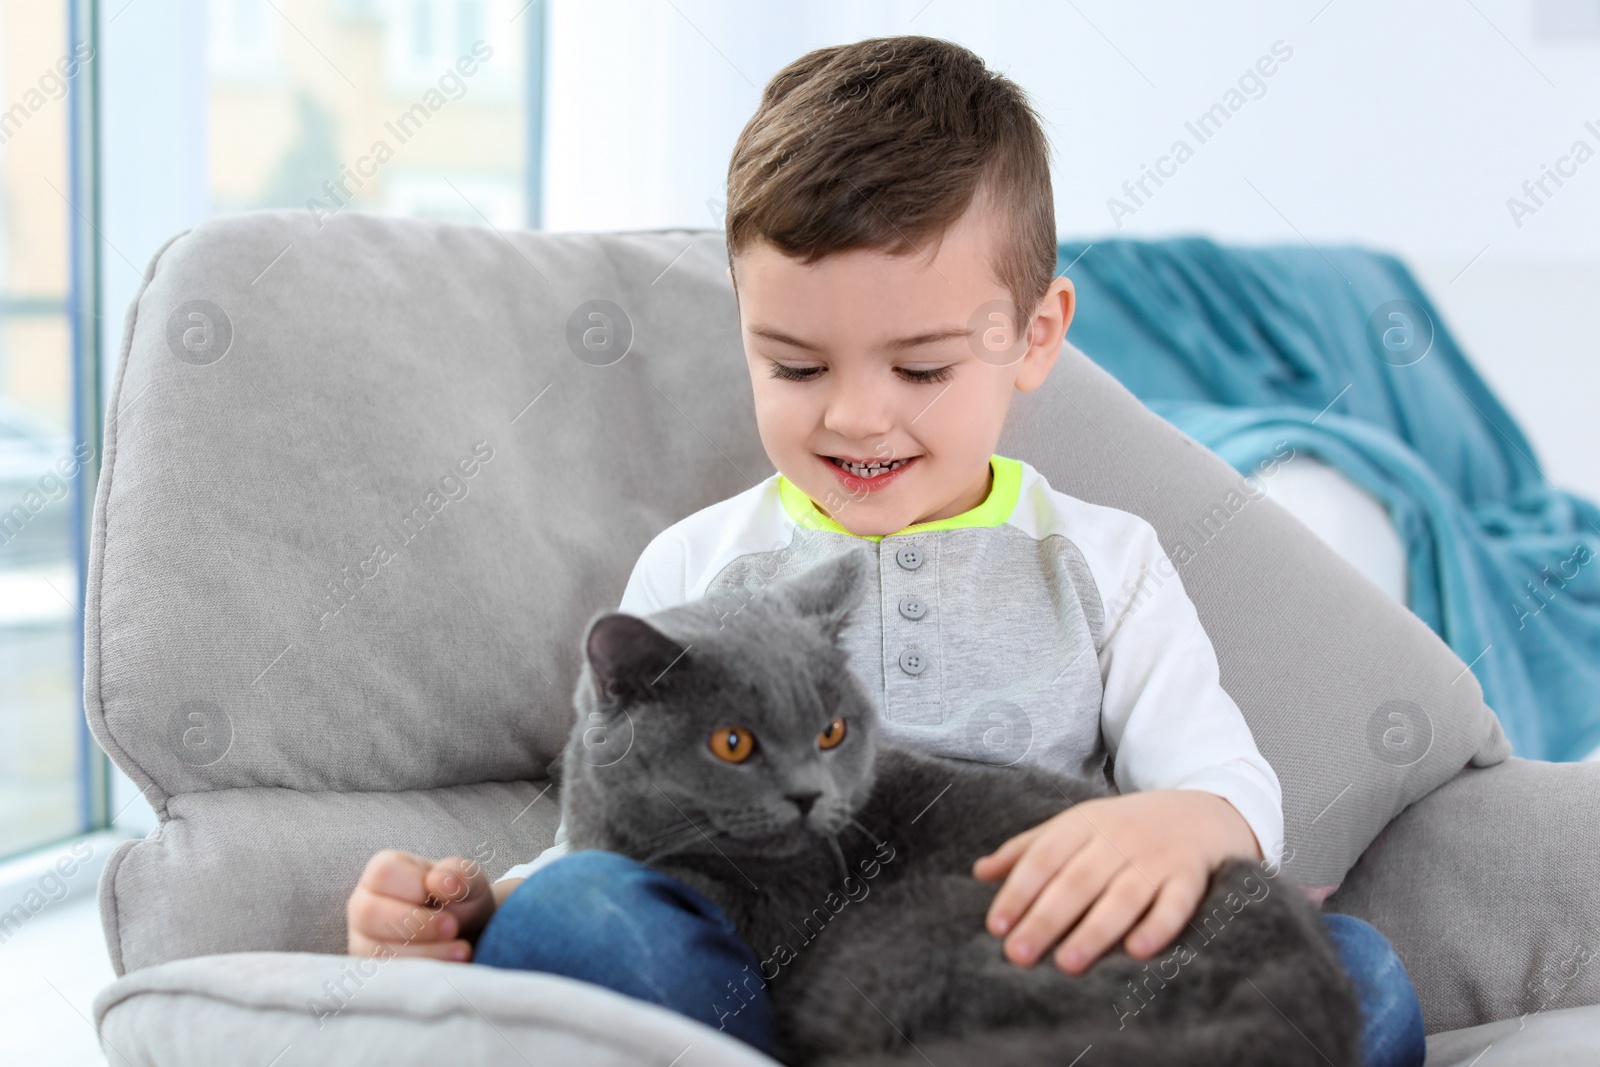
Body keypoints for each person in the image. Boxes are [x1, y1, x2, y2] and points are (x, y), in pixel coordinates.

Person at [345, 35, 1426, 1067]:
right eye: (798, 367)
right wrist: (467, 909)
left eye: (919, 370)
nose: (859, 418)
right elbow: (616, 823)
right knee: (576, 919)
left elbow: (1222, 778)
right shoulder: (700, 564)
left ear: (1035, 336)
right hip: (759, 978)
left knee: (1359, 977)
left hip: (1045, 965)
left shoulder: (1101, 559)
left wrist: (1189, 823)